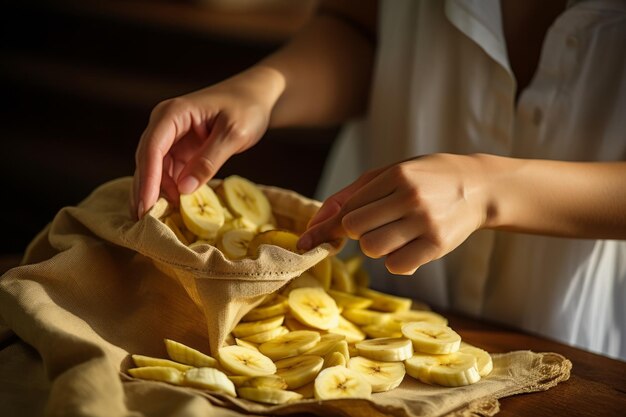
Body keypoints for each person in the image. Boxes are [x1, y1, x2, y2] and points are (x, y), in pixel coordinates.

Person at [132, 0, 626, 360]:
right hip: (354, 291)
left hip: (571, 335)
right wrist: (266, 89)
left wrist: (491, 191)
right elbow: (360, 26)